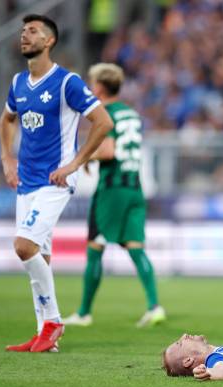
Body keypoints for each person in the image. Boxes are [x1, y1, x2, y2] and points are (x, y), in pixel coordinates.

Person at [0, 14, 113, 352]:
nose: (24, 36)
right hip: (27, 180)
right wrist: (7, 158)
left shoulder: (67, 82)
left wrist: (75, 163)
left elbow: (102, 122)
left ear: (49, 41)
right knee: (38, 256)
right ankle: (44, 334)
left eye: (32, 31)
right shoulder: (19, 82)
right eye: (22, 31)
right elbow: (7, 118)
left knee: (23, 246)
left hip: (56, 179)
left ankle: (53, 320)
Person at [63, 63, 165, 328]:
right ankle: (154, 307)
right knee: (135, 247)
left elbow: (107, 151)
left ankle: (84, 313)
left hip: (112, 190)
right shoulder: (131, 113)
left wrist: (83, 156)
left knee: (95, 247)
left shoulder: (105, 112)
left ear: (98, 87)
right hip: (134, 187)